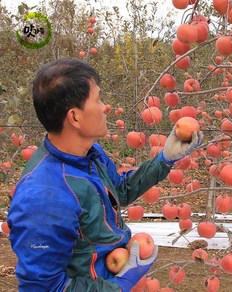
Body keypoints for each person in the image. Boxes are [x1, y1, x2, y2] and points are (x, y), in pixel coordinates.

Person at [7, 58, 203, 291]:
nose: (105, 107)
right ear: (75, 117)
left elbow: (118, 190)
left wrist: (164, 160)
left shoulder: (89, 154)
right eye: (98, 99)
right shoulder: (44, 196)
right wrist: (118, 286)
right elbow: (44, 288)